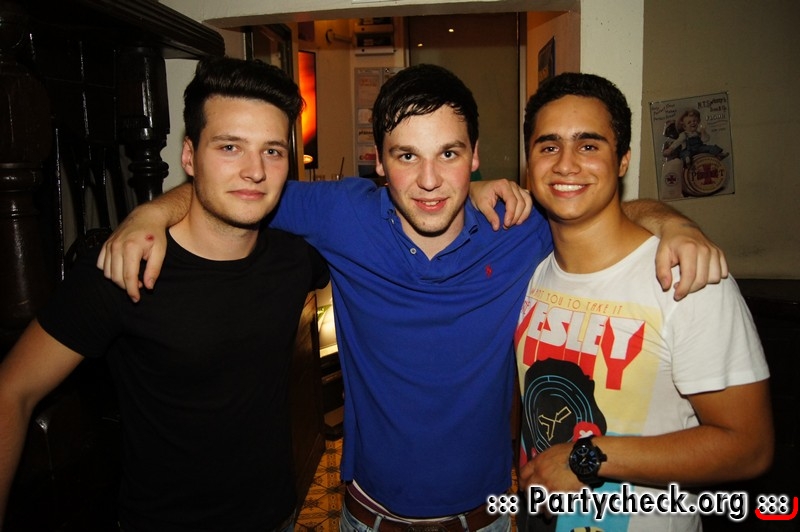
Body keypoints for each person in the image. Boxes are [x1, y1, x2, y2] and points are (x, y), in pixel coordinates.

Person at [95, 64, 728, 532]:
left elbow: (601, 207)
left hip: (488, 518)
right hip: (366, 517)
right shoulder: (342, 214)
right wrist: (151, 210)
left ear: (474, 157)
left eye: (448, 154)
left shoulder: (519, 227)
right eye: (407, 156)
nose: (429, 180)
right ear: (379, 162)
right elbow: (233, 187)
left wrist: (675, 224)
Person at [0, 56, 330, 531]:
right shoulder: (126, 267)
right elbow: (12, 390)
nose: (255, 171)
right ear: (190, 156)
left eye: (273, 151)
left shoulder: (296, 259)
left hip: (277, 514)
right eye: (230, 147)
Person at [515, 72, 772, 531]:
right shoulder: (532, 271)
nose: (566, 165)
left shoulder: (685, 280)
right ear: (529, 162)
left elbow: (748, 447)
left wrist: (589, 457)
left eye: (589, 145)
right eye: (548, 146)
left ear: (623, 161)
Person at [663, 108, 728, 167]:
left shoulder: (698, 133)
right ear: (684, 126)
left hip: (699, 148)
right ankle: (687, 162)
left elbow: (705, 140)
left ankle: (719, 155)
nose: (693, 123)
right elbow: (677, 142)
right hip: (688, 150)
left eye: (694, 121)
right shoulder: (684, 134)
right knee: (686, 154)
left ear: (698, 122)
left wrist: (703, 132)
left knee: (709, 147)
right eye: (689, 122)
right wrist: (670, 149)